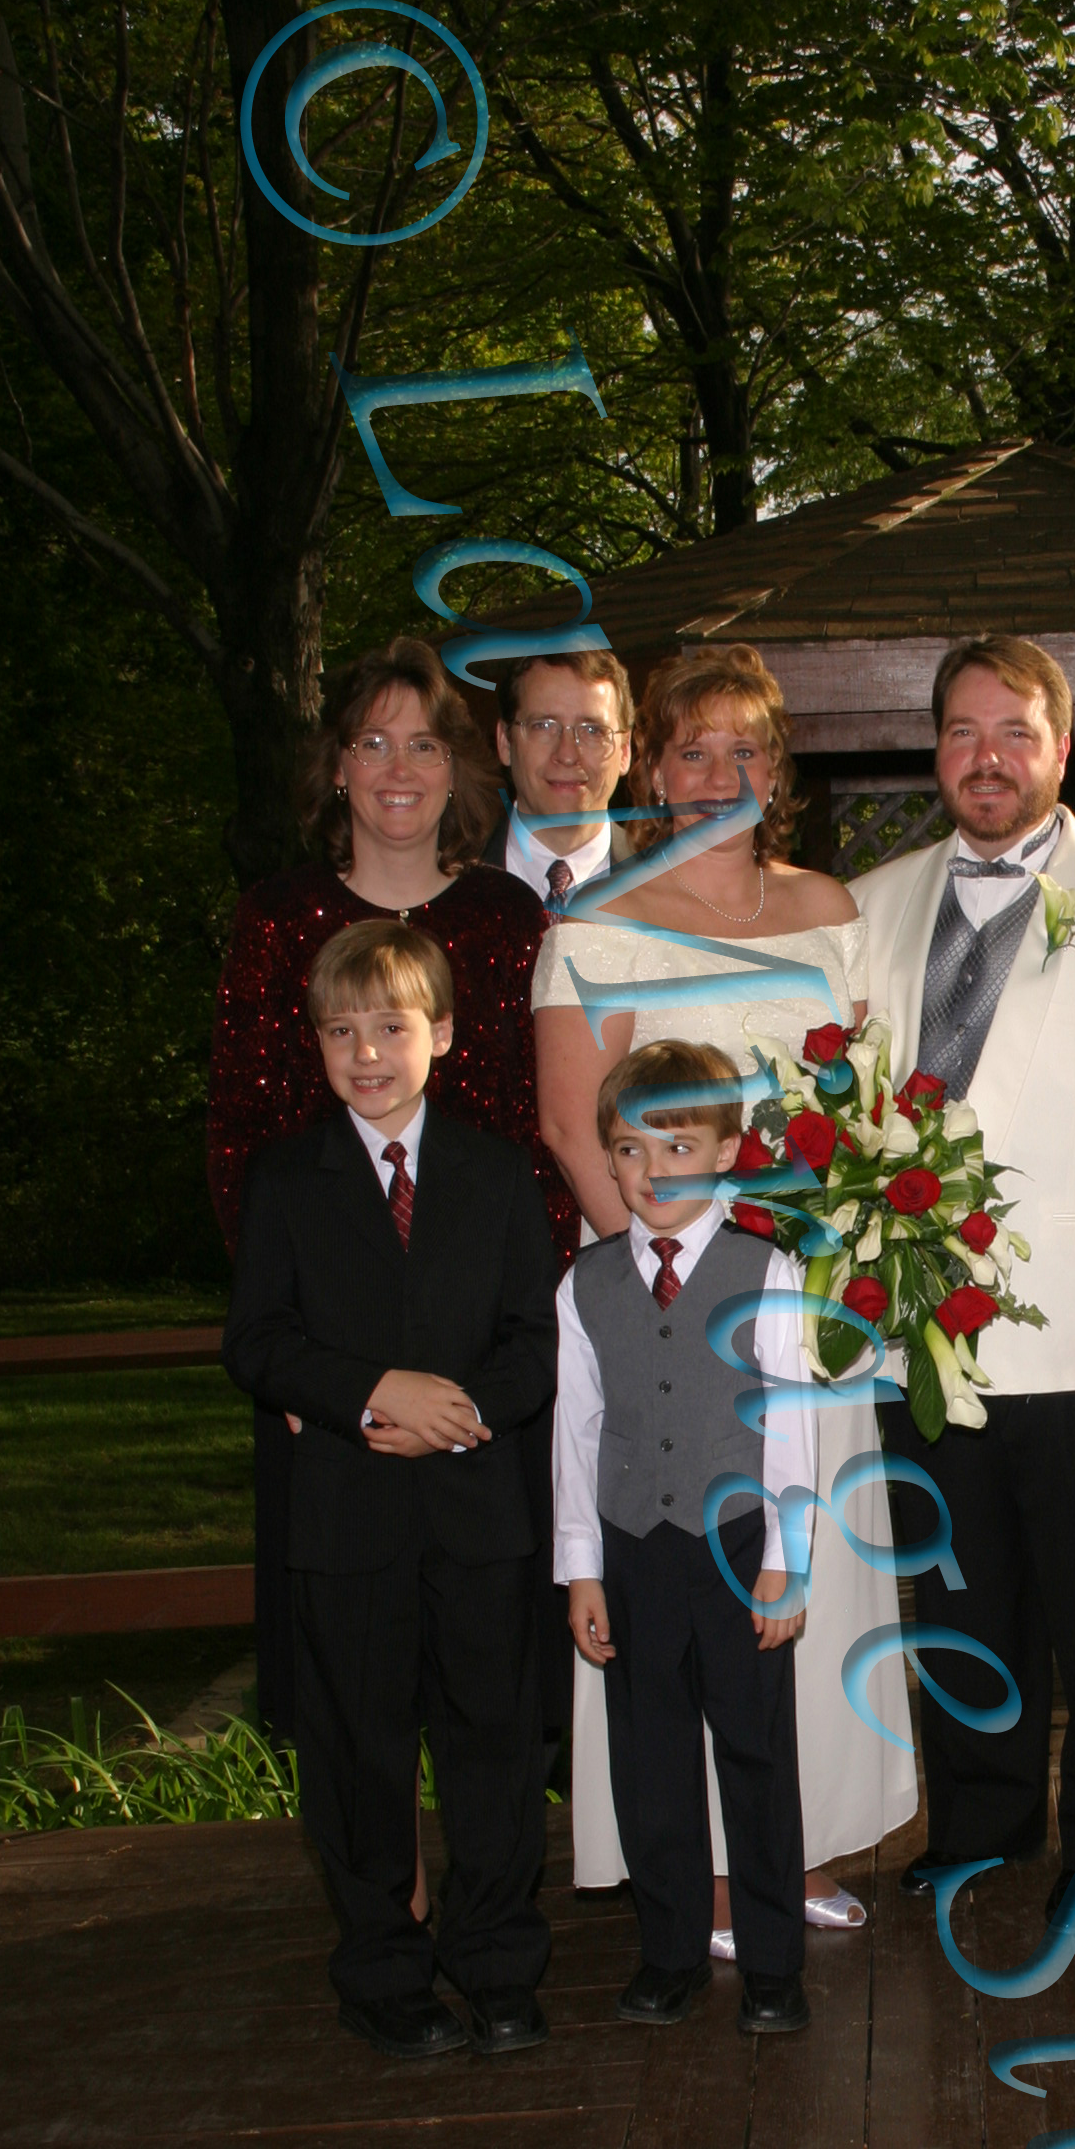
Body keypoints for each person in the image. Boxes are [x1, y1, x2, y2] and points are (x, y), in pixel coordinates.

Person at [533, 642, 916, 1924]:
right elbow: (575, 1127)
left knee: (800, 1581)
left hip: (806, 1317)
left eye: (741, 749)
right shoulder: (597, 926)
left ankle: (791, 1853)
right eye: (689, 750)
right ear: (650, 770)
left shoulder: (826, 908)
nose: (715, 774)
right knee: (679, 1590)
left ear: (775, 770)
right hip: (668, 1332)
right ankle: (689, 1871)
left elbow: (863, 1105)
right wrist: (677, 1301)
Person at [855, 636, 1075, 1923]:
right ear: (934, 751)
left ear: (1063, 748)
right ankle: (980, 1826)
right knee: (964, 1607)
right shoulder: (871, 903)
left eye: (1014, 731)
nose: (987, 757)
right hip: (922, 1333)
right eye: (962, 731)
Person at [208, 636, 573, 1737]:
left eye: (423, 745)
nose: (398, 768)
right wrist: (301, 1364)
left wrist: (509, 1366)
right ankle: (373, 1855)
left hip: (483, 1356)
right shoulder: (277, 917)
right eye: (371, 744)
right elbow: (240, 1138)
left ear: (458, 768)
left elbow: (537, 1131)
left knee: (489, 1685)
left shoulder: (507, 919)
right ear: (336, 767)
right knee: (347, 1696)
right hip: (327, 1365)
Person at [222, 923, 557, 2059]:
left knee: (493, 1748)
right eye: (340, 1032)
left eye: (390, 1028)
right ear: (316, 1044)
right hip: (346, 1515)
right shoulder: (286, 1180)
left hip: (478, 1515)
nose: (366, 1054)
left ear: (443, 1035)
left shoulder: (497, 1173)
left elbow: (533, 1341)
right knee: (359, 1754)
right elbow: (258, 1342)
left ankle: (497, 1962)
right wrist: (371, 1394)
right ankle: (383, 1973)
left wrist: (453, 1412)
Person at [554, 1040, 814, 2037]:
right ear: (610, 1160)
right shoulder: (582, 1284)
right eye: (630, 1150)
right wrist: (582, 1570)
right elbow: (576, 1434)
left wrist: (786, 1561)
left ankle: (773, 1963)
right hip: (633, 1550)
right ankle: (668, 1950)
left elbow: (790, 1421)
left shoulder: (765, 1270)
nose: (654, 1173)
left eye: (679, 1147)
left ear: (725, 1153)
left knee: (755, 1753)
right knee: (649, 1758)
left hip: (737, 1546)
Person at [486, 649, 635, 915]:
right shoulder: (447, 885)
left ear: (625, 750)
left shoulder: (672, 890)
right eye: (543, 726)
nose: (567, 755)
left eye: (593, 731)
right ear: (505, 742)